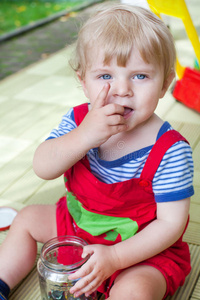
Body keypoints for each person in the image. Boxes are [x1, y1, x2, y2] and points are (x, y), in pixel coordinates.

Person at [0, 4, 194, 300]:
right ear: (83, 81)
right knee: (25, 219)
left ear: (165, 83)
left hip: (141, 250)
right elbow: (43, 167)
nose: (122, 89)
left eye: (140, 76)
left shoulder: (170, 150)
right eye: (105, 76)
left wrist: (115, 258)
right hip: (76, 225)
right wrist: (84, 136)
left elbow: (171, 224)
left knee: (137, 290)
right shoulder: (78, 122)